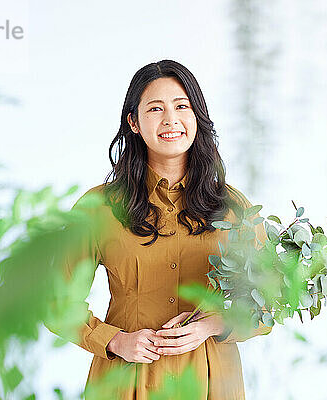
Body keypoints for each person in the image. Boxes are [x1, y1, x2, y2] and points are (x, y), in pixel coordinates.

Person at [51, 60, 272, 399]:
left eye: (181, 106)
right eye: (155, 108)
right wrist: (114, 339)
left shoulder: (231, 206)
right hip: (125, 380)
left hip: (212, 379)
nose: (170, 120)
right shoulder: (99, 208)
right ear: (134, 123)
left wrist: (213, 324)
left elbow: (269, 301)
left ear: (196, 117)